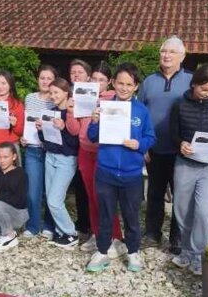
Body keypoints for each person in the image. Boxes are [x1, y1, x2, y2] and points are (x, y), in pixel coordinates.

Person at [85, 63, 156, 273]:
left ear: (136, 86)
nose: (124, 88)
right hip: (105, 172)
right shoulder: (104, 107)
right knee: (105, 214)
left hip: (131, 174)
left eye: (129, 84)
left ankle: (133, 251)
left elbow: (151, 137)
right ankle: (102, 251)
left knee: (131, 215)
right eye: (120, 83)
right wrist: (94, 121)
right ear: (113, 83)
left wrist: (139, 145)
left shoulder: (142, 111)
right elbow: (92, 137)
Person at [169, 65, 208, 276]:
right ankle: (186, 251)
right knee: (182, 210)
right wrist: (180, 144)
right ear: (193, 85)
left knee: (205, 212)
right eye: (204, 89)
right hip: (185, 164)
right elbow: (173, 133)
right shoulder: (179, 104)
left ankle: (199, 255)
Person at [138, 35, 192, 252]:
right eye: (164, 51)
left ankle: (177, 238)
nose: (166, 55)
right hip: (154, 149)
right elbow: (139, 114)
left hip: (181, 150)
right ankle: (152, 234)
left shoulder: (191, 81)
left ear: (182, 56)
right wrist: (142, 146)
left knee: (181, 195)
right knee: (154, 193)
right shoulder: (148, 82)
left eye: (172, 52)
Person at [73, 62, 124, 256]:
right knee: (91, 198)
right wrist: (70, 111)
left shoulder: (114, 98)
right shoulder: (81, 95)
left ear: (109, 82)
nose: (97, 83)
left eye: (101, 80)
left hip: (104, 152)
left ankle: (116, 237)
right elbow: (75, 128)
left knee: (105, 198)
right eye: (94, 79)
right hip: (84, 151)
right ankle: (97, 234)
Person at [37, 77, 80, 249]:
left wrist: (63, 129)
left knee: (55, 200)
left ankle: (71, 233)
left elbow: (75, 143)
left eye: (56, 92)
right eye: (51, 93)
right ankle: (60, 231)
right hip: (50, 157)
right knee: (51, 198)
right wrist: (41, 130)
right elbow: (47, 140)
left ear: (66, 93)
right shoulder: (50, 112)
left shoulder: (72, 113)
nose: (53, 96)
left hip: (66, 160)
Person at [21, 64, 58, 238]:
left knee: (50, 190)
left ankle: (49, 226)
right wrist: (22, 137)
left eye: (49, 78)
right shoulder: (29, 98)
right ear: (37, 80)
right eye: (42, 78)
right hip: (32, 150)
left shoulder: (56, 99)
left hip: (50, 151)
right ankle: (33, 225)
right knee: (32, 191)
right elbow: (25, 122)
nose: (45, 81)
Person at [67, 59, 92, 239]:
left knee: (92, 188)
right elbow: (73, 128)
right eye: (73, 72)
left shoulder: (96, 95)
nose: (76, 75)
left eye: (80, 72)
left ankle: (94, 224)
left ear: (88, 76)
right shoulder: (68, 94)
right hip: (73, 146)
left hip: (90, 147)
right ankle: (83, 223)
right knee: (80, 187)